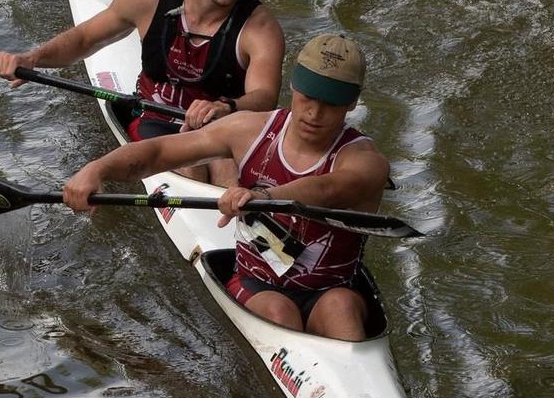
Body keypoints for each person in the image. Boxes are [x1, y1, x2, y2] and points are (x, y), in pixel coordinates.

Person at [62, 33, 388, 342]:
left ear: (352, 103)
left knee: (341, 308)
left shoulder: (365, 160)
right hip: (258, 284)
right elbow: (159, 152)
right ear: (293, 85)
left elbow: (329, 189)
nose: (314, 113)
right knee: (279, 311)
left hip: (332, 290)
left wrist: (264, 198)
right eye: (308, 97)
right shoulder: (249, 129)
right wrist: (97, 169)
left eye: (331, 104)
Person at [0, 0, 284, 185]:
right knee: (193, 167)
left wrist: (226, 106)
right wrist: (33, 58)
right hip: (154, 117)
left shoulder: (260, 29)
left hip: (222, 127)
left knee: (225, 166)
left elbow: (265, 97)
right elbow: (84, 40)